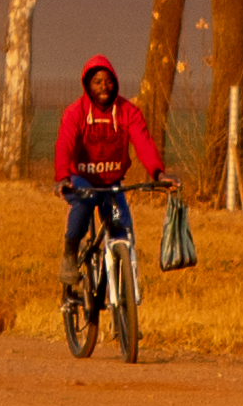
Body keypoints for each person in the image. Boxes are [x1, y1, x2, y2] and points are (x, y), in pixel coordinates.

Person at [49, 55, 161, 365]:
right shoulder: (75, 113)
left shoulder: (127, 112)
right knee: (82, 211)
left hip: (112, 180)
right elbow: (64, 144)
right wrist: (63, 178)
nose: (104, 87)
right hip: (82, 180)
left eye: (108, 81)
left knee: (123, 231)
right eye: (97, 82)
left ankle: (123, 302)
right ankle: (71, 255)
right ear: (87, 85)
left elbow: (143, 142)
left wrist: (158, 173)